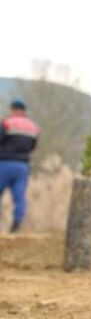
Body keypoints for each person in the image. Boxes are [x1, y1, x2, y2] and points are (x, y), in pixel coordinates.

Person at [0, 99, 39, 233]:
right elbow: (33, 147)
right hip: (23, 166)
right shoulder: (33, 127)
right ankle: (16, 226)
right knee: (19, 197)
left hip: (4, 163)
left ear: (13, 109)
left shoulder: (6, 123)